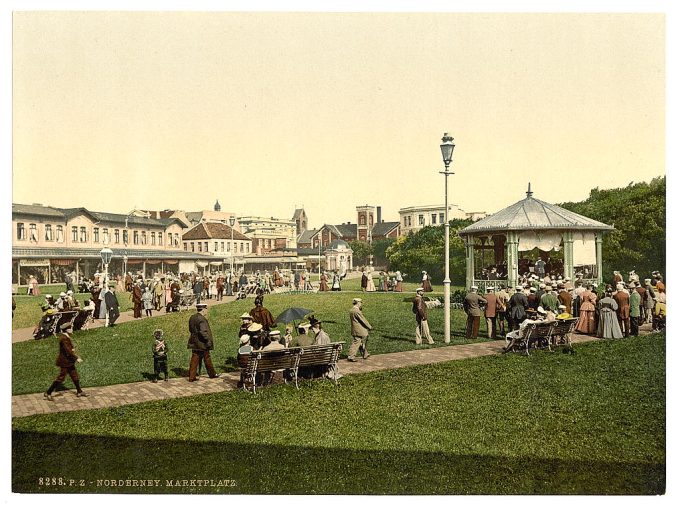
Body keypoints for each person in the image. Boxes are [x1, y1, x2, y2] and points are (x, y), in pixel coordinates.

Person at [44, 323, 87, 400]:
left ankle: (79, 391)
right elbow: (68, 351)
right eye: (71, 328)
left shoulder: (66, 337)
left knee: (74, 376)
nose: (72, 329)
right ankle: (48, 392)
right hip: (65, 362)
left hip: (69, 361)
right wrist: (76, 358)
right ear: (67, 330)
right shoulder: (64, 338)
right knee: (61, 377)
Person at [187, 303, 220, 381]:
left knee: (194, 359)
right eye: (206, 309)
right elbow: (203, 332)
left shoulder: (192, 317)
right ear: (203, 309)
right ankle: (212, 374)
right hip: (202, 343)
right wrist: (207, 340)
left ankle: (191, 377)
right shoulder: (201, 319)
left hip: (194, 342)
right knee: (207, 358)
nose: (207, 311)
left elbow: (190, 329)